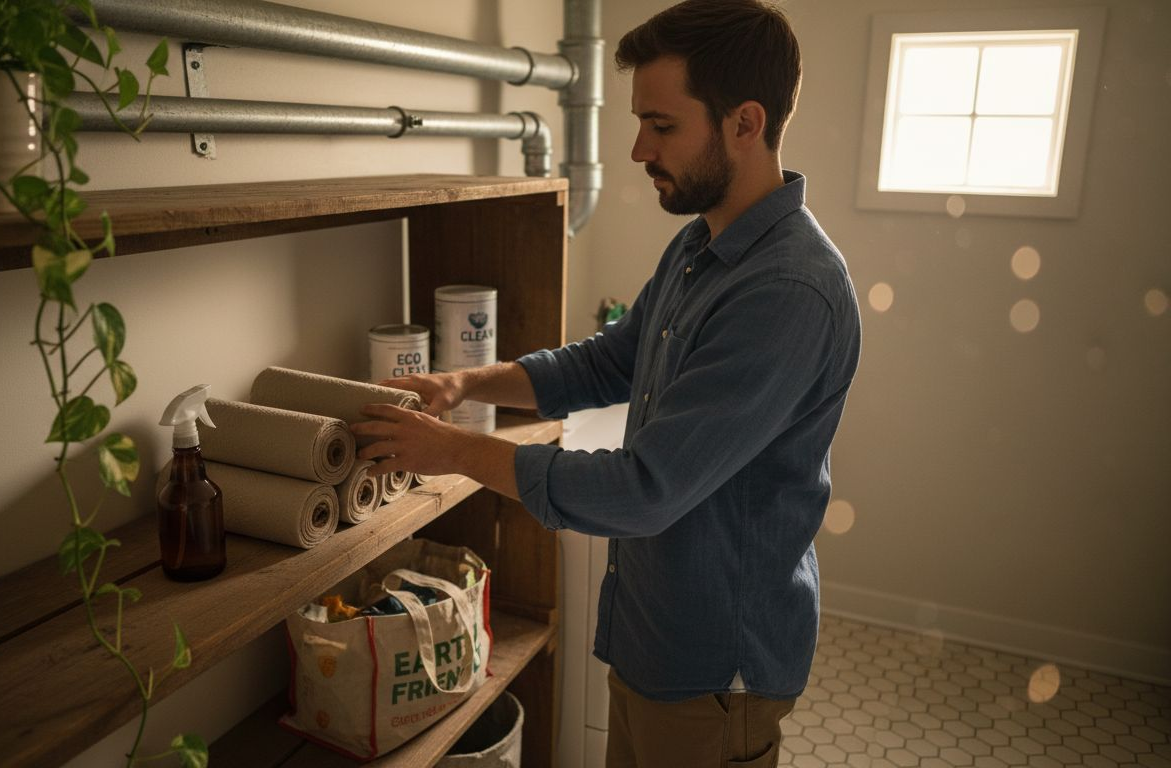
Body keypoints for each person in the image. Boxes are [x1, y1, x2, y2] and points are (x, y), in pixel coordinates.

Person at [350, 1, 861, 765]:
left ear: (745, 123)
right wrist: (463, 385)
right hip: (655, 637)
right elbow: (605, 362)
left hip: (714, 669)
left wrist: (453, 451)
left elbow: (644, 489)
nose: (635, 149)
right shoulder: (702, 242)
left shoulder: (787, 292)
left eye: (662, 126)